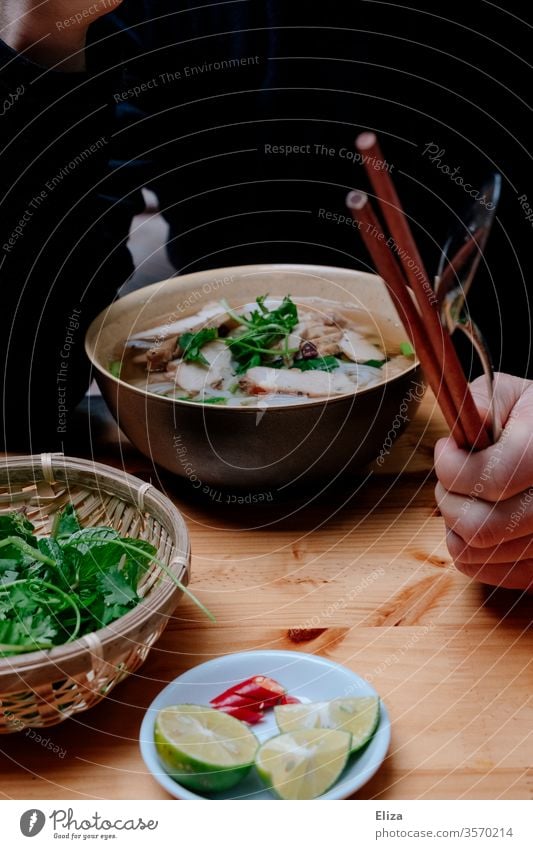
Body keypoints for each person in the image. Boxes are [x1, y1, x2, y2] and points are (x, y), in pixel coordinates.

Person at [0, 1, 531, 591]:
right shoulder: (138, 15)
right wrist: (40, 50)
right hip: (186, 503)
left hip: (465, 467)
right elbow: (20, 399)